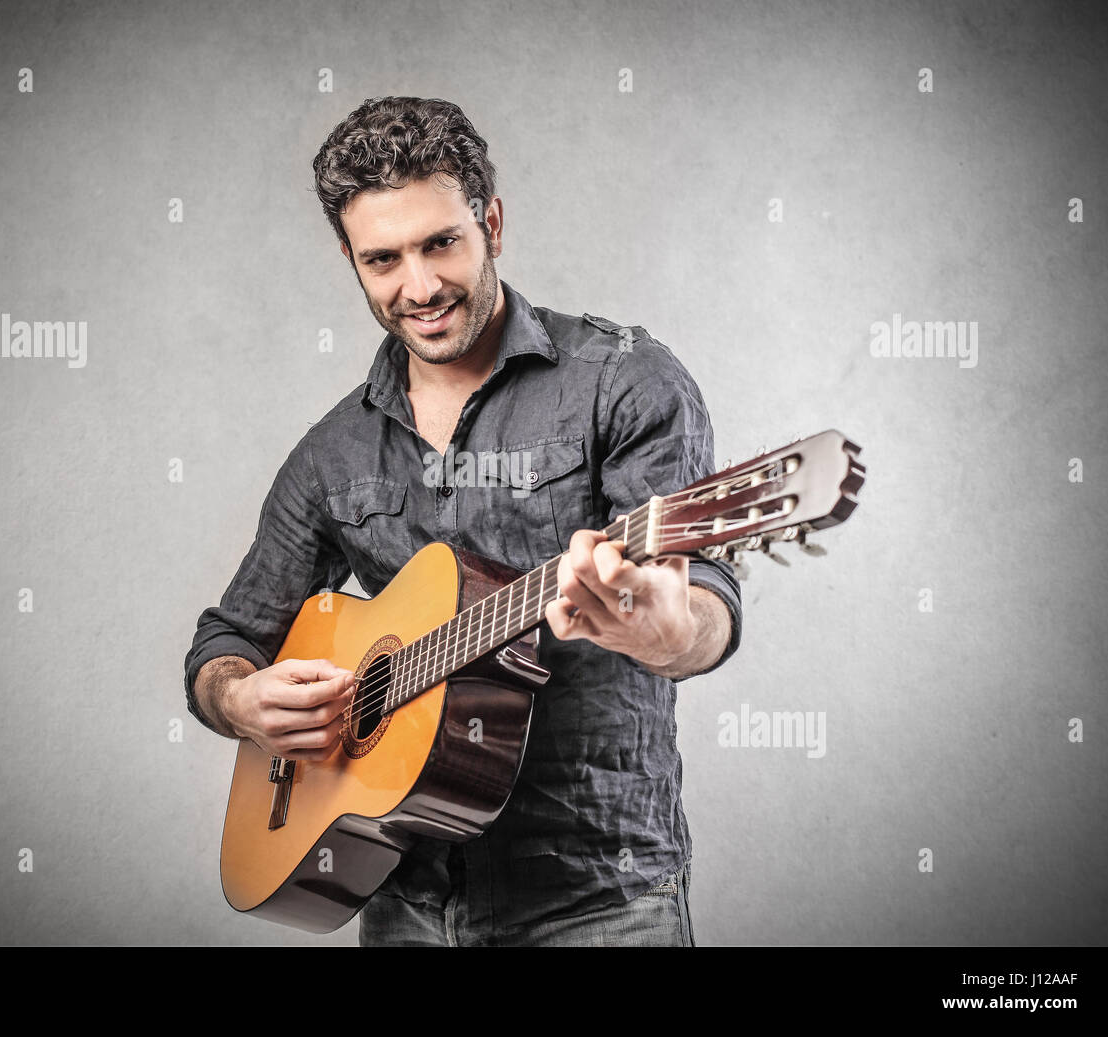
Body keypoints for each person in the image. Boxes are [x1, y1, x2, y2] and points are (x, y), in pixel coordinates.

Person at [184, 96, 742, 947]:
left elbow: (704, 607)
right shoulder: (333, 451)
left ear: (492, 222)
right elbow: (228, 636)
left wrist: (666, 631)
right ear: (350, 260)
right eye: (382, 259)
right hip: (400, 893)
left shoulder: (622, 382)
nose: (420, 286)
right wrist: (241, 698)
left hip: (599, 895)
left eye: (441, 242)